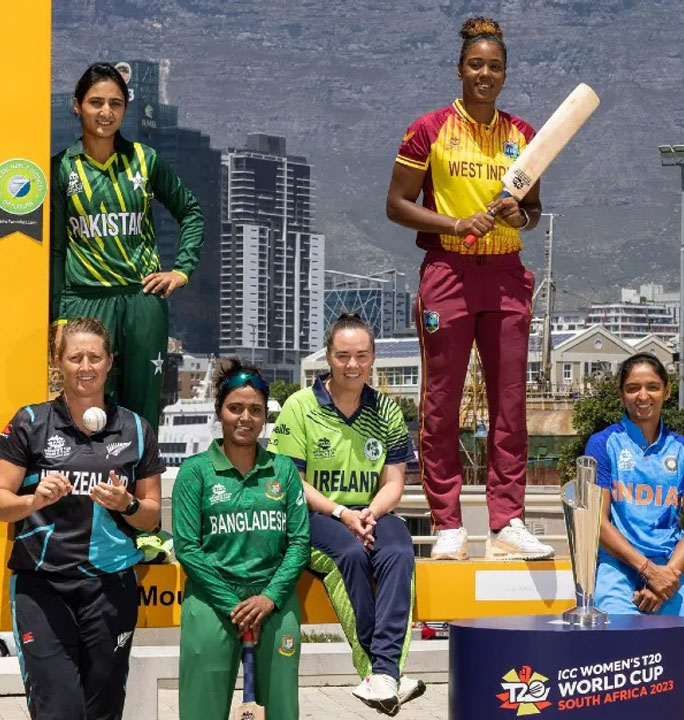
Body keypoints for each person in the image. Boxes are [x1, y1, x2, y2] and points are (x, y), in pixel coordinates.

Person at [385, 16, 553, 561]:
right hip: (448, 271)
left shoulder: (523, 135)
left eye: (495, 67)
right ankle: (449, 523)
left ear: (505, 74)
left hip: (505, 273)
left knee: (510, 402)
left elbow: (533, 210)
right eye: (476, 65)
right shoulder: (429, 129)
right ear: (459, 69)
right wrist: (455, 224)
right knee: (441, 402)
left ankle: (507, 522)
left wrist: (518, 215)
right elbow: (396, 205)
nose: (485, 74)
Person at [0, 317, 163, 720]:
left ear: (109, 362)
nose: (86, 367)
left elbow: (151, 517)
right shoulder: (30, 422)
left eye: (94, 358)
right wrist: (33, 500)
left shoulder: (136, 428)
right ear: (58, 363)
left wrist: (127, 505)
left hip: (110, 587)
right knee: (59, 709)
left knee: (103, 711)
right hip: (42, 586)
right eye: (75, 357)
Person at [268, 313, 423, 715]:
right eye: (342, 356)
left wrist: (369, 512)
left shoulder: (387, 410)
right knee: (350, 555)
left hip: (371, 515)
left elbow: (394, 482)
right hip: (315, 515)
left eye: (361, 355)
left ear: (373, 358)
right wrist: (341, 513)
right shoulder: (300, 406)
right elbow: (292, 482)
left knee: (399, 552)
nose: (352, 365)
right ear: (328, 357)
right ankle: (379, 670)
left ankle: (384, 673)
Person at [50, 62, 205, 429]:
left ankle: (142, 470)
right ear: (77, 106)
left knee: (141, 411)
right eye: (96, 102)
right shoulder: (61, 169)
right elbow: (55, 250)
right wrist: (58, 316)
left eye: (115, 104)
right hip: (85, 301)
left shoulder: (145, 160)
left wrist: (181, 270)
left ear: (125, 109)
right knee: (86, 409)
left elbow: (191, 211)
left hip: (141, 300)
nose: (106, 112)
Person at [173, 361, 310, 720]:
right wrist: (235, 605)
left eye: (255, 410)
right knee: (201, 711)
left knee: (281, 711)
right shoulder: (195, 471)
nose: (245, 418)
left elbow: (299, 543)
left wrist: (268, 598)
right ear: (220, 411)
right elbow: (187, 548)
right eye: (235, 408)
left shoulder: (283, 470)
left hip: (274, 599)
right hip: (212, 600)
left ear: (265, 416)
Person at [585, 353, 684, 616]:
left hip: (672, 569)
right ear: (621, 394)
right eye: (632, 388)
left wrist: (665, 578)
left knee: (683, 639)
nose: (643, 396)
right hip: (618, 566)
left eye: (652, 387)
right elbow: (597, 522)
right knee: (621, 640)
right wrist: (648, 571)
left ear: (667, 391)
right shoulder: (602, 444)